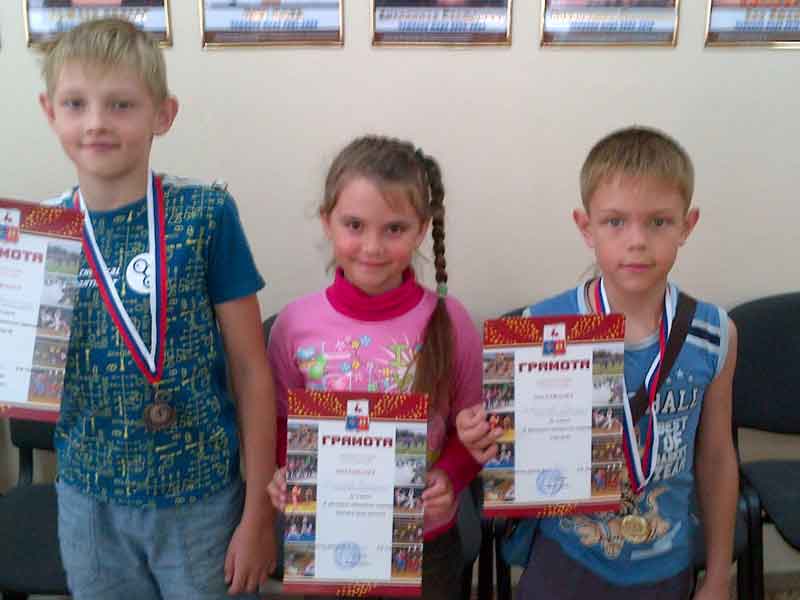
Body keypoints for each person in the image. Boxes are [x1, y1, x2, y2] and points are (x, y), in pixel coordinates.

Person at [38, 18, 277, 599]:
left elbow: (251, 369)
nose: (96, 122)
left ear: (163, 115)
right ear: (50, 112)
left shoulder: (206, 215)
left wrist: (257, 514)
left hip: (201, 498)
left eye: (121, 104)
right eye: (76, 103)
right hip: (90, 502)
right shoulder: (39, 234)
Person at [458, 126, 738, 600]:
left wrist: (716, 576)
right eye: (615, 222)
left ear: (687, 225)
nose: (637, 241)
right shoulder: (538, 327)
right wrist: (481, 436)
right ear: (586, 227)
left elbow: (716, 457)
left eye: (659, 222)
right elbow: (508, 450)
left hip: (666, 561)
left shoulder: (715, 335)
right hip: (565, 557)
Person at [266, 135, 483, 599]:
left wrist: (450, 475)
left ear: (421, 230)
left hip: (424, 541)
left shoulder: (451, 321)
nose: (372, 246)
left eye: (394, 229)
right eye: (354, 225)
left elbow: (475, 430)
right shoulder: (294, 324)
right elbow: (282, 425)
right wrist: (286, 473)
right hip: (328, 536)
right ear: (326, 222)